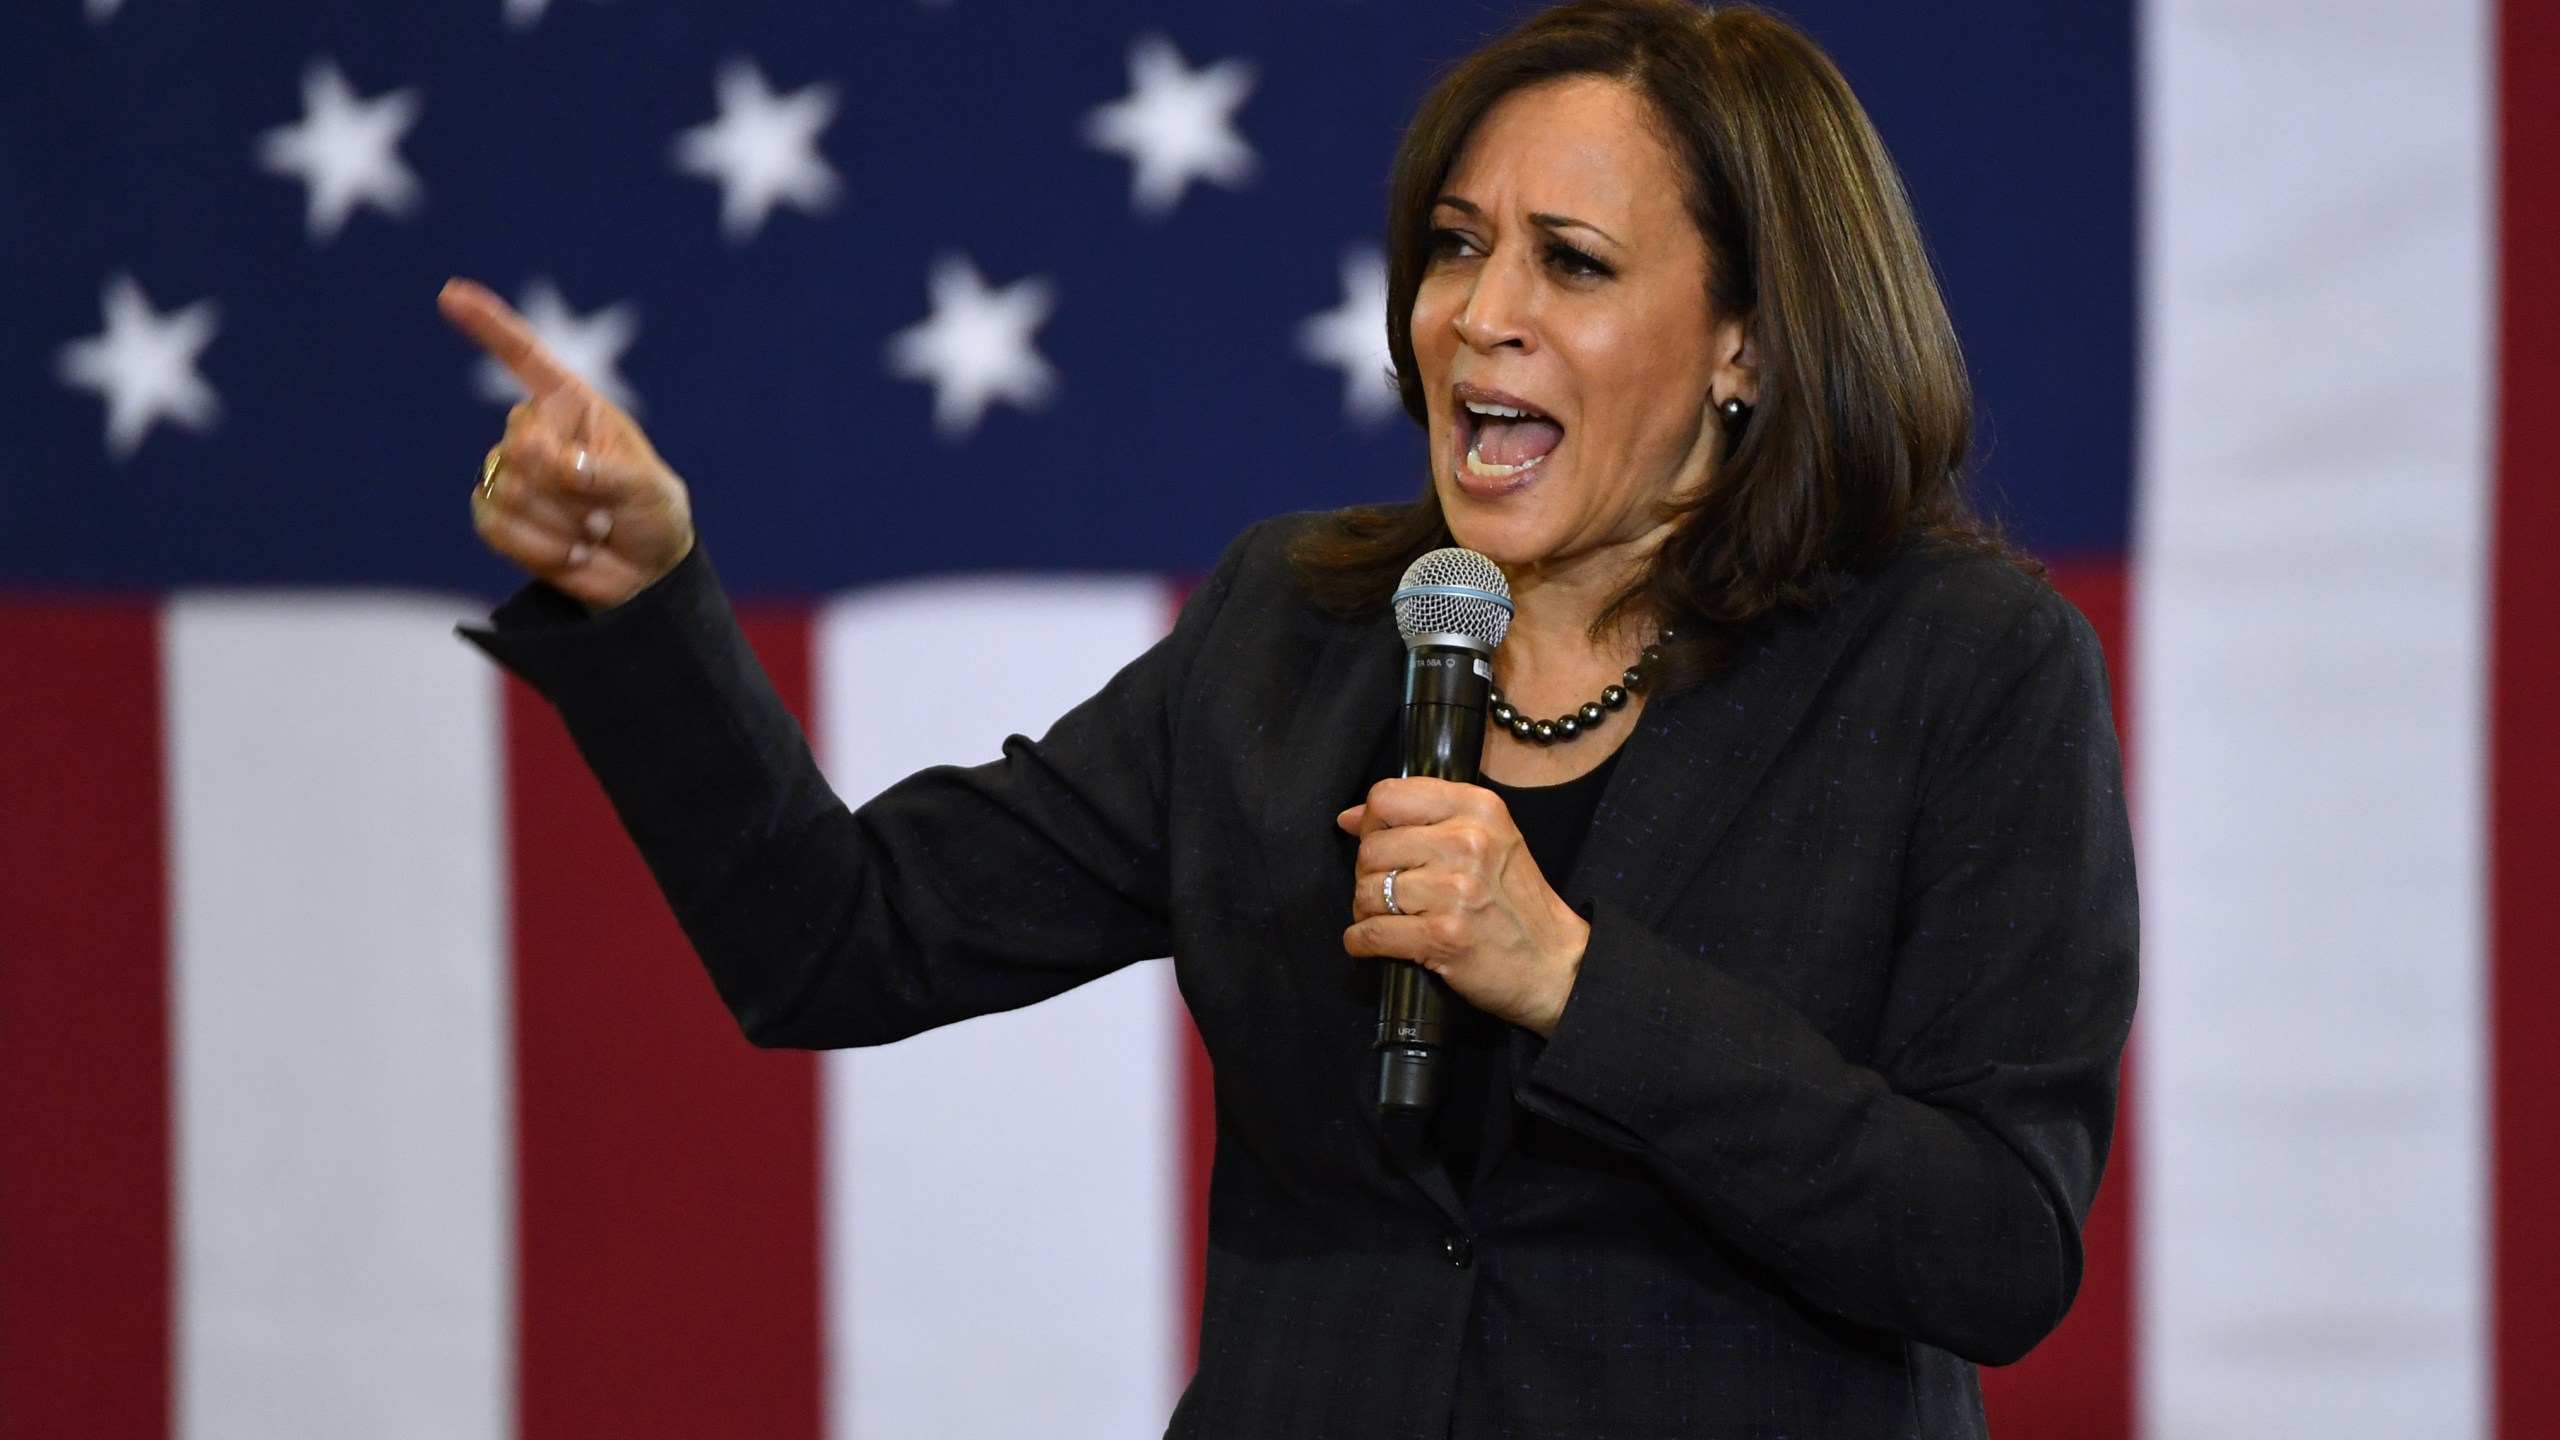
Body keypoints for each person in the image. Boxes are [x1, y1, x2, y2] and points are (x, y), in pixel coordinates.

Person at [440, 2, 2136, 1435]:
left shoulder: (1963, 672)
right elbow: (836, 941)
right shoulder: (1296, 632)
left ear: (1746, 347)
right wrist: (646, 598)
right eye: (1458, 245)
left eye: (1576, 262)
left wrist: (1572, 979)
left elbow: (1993, 1247)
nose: (1483, 312)